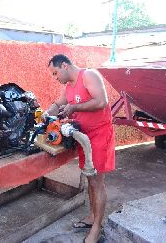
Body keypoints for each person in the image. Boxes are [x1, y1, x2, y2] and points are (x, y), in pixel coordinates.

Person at [44, 54, 115, 243]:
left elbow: (101, 102)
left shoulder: (89, 75)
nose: (55, 77)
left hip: (99, 134)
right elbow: (60, 103)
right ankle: (92, 217)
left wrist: (74, 108)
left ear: (65, 66)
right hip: (83, 137)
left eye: (55, 73)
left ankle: (97, 227)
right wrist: (46, 112)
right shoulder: (69, 86)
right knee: (90, 178)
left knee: (97, 181)